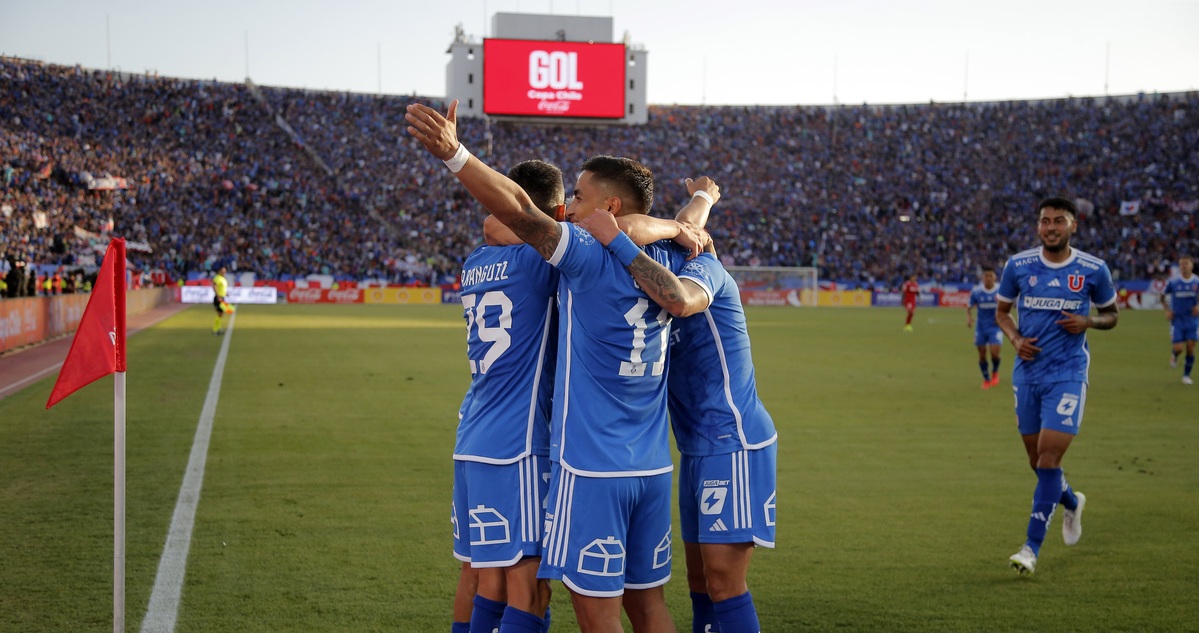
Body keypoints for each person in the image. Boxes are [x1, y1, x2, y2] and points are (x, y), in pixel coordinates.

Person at [406, 99, 711, 633]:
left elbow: (508, 220)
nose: (571, 207)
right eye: (566, 199)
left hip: (502, 438)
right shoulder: (664, 265)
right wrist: (693, 209)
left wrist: (457, 156)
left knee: (490, 578)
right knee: (619, 600)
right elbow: (532, 218)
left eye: (580, 196)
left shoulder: (490, 261)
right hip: (611, 454)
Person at [578, 186, 778, 633]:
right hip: (696, 447)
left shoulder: (705, 269)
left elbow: (681, 300)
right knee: (701, 583)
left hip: (734, 438)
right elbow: (642, 225)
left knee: (725, 582)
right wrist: (702, 200)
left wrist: (638, 236)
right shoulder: (668, 253)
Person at [450, 159, 563, 633]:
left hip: (472, 433)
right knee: (529, 585)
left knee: (479, 575)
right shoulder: (538, 262)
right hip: (518, 444)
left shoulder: (475, 262)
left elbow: (507, 221)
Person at [994, 197, 1118, 575]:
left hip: (1068, 373)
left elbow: (1112, 315)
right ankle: (1070, 501)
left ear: (1073, 226)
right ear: (1038, 227)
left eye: (1059, 221)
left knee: (1049, 458)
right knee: (1037, 462)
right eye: (1045, 221)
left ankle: (1030, 548)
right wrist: (1015, 340)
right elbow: (1001, 312)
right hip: (1027, 373)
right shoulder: (1018, 265)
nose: (1051, 227)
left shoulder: (1093, 269)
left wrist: (1089, 323)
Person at [1161, 255, 1198, 384]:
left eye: (1186, 263)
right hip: (1177, 320)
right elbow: (1162, 296)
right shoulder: (1173, 282)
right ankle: (1175, 355)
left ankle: (1186, 376)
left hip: (1193, 320)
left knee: (1191, 347)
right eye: (1182, 264)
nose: (1184, 266)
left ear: (1192, 265)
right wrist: (1167, 310)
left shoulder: (1197, 282)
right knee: (1179, 348)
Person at [967, 265, 1004, 389]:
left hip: (995, 327)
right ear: (982, 277)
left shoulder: (1000, 290)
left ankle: (995, 372)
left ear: (995, 277)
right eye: (986, 276)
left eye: (991, 276)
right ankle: (986, 379)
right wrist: (969, 318)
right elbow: (969, 306)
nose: (988, 278)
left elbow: (1008, 304)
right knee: (982, 353)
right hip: (981, 327)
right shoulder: (976, 291)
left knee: (995, 353)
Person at [212, 266, 233, 335]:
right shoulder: (217, 278)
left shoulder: (223, 278)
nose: (224, 272)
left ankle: (218, 328)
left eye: (225, 271)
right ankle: (215, 330)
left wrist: (226, 293)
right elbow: (215, 286)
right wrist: (218, 296)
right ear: (219, 271)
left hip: (222, 297)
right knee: (220, 313)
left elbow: (222, 288)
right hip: (219, 298)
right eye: (223, 271)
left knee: (221, 314)